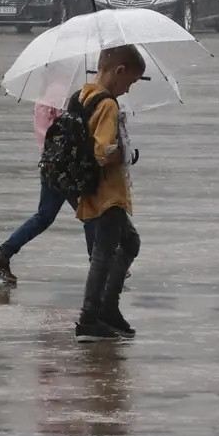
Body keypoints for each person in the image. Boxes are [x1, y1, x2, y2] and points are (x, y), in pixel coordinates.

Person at [73, 45, 145, 342]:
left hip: (91, 187)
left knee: (129, 242)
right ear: (119, 71)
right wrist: (126, 153)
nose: (128, 89)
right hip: (109, 191)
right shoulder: (108, 105)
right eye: (130, 82)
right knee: (104, 254)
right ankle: (89, 318)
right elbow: (103, 152)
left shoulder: (82, 96)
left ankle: (108, 310)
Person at [0, 103, 97, 285]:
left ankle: (3, 253)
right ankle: (101, 265)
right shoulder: (64, 100)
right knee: (91, 215)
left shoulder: (44, 100)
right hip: (68, 167)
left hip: (51, 164)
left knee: (45, 215)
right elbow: (74, 133)